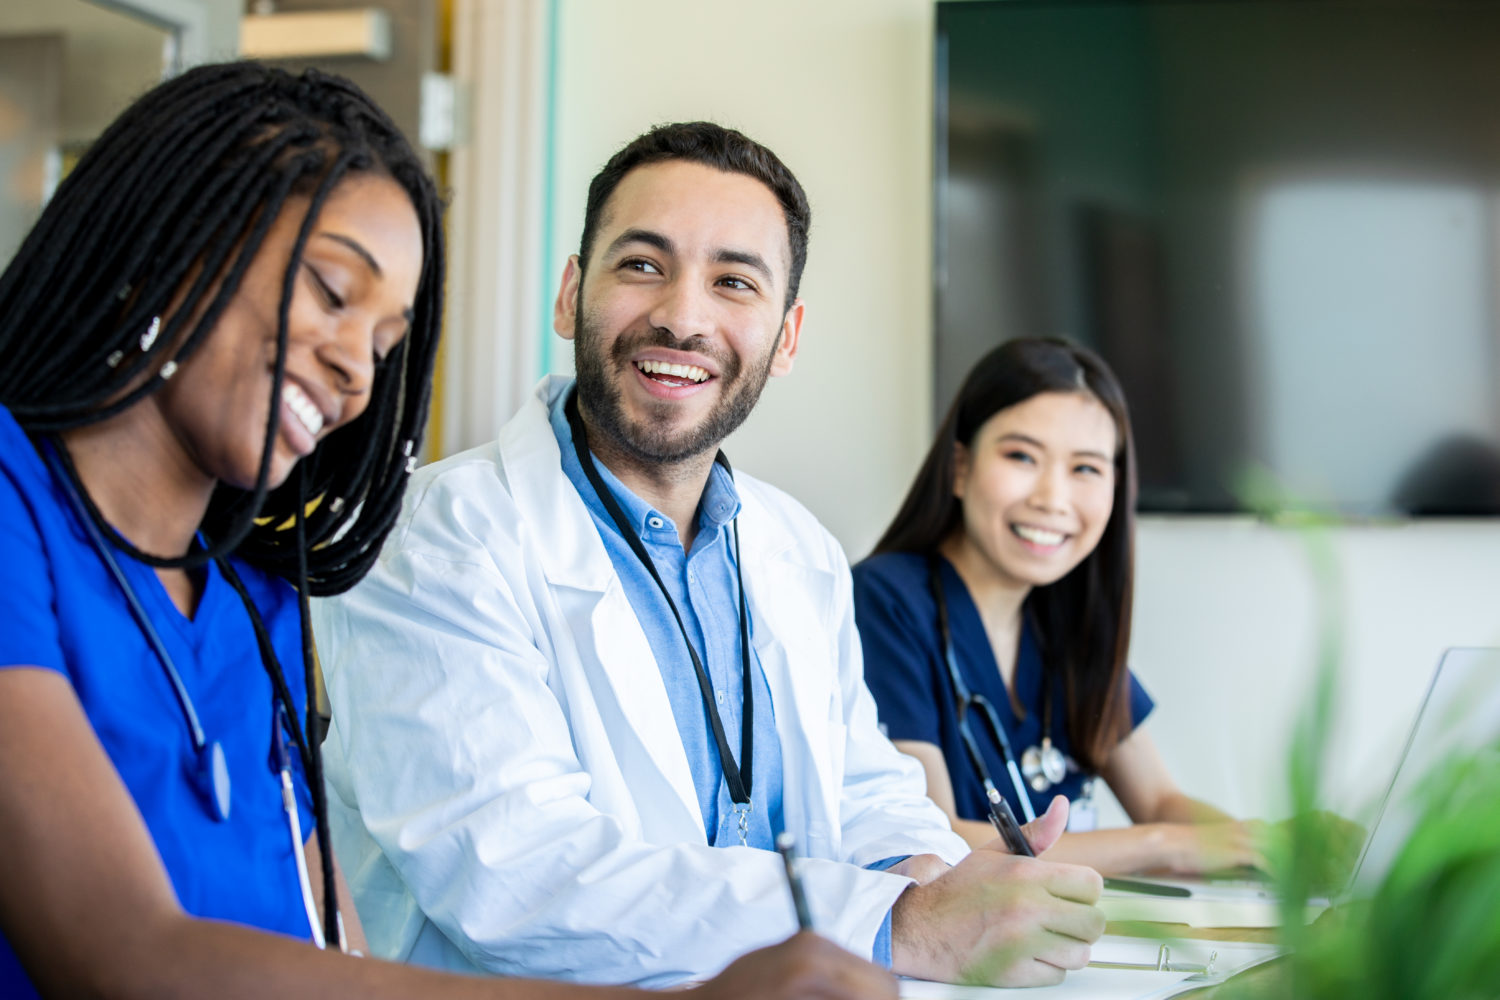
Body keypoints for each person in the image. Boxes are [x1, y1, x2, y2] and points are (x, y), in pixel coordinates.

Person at [0, 62, 893, 1000]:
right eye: (333, 293)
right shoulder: (21, 516)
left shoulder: (248, 596)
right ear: (171, 238)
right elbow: (128, 957)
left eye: (389, 340)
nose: (356, 367)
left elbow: (328, 956)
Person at [311, 122, 1106, 991]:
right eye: (641, 265)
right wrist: (898, 924)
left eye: (733, 282)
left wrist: (926, 870)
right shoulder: (434, 536)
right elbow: (514, 875)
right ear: (571, 294)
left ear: (787, 337)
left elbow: (859, 784)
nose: (683, 317)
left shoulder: (797, 548)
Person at [853, 338, 1264, 876]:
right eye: (1022, 456)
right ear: (959, 467)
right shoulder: (883, 601)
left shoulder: (1066, 621)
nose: (1053, 498)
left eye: (1086, 468)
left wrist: (1268, 848)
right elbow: (935, 832)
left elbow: (1161, 804)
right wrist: (1165, 845)